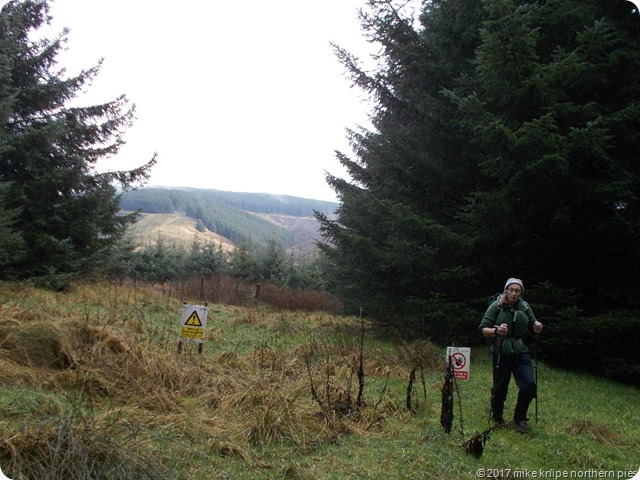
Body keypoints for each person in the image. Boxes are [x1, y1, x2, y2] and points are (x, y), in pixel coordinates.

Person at [478, 278, 543, 433]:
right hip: (501, 351)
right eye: (511, 290)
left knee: (529, 385)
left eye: (517, 290)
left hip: (521, 351)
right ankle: (498, 418)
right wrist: (496, 331)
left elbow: (534, 325)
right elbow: (482, 329)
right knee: (500, 387)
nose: (514, 293)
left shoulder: (525, 307)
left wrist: (537, 327)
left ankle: (520, 419)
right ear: (506, 290)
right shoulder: (496, 307)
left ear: (521, 292)